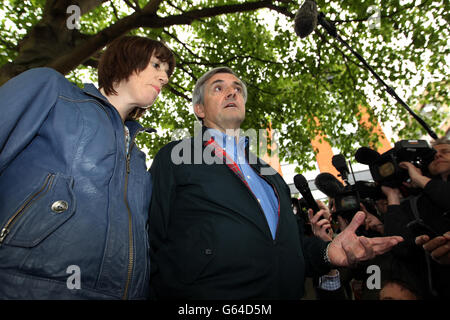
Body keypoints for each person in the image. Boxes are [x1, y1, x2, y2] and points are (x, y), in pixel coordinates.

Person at [148, 66, 403, 299]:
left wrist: (327, 253)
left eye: (237, 89)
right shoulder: (174, 158)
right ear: (200, 109)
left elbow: (292, 246)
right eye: (219, 87)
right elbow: (150, 241)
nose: (231, 92)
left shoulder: (271, 176)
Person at [0, 35, 175, 299]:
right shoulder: (51, 90)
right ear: (126, 58)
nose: (164, 78)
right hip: (27, 286)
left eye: (167, 72)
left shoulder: (138, 157)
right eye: (156, 65)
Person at [381, 137, 450, 298]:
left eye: (445, 152)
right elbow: (398, 245)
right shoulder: (418, 202)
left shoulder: (432, 188)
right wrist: (392, 197)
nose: (438, 156)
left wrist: (419, 179)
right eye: (434, 155)